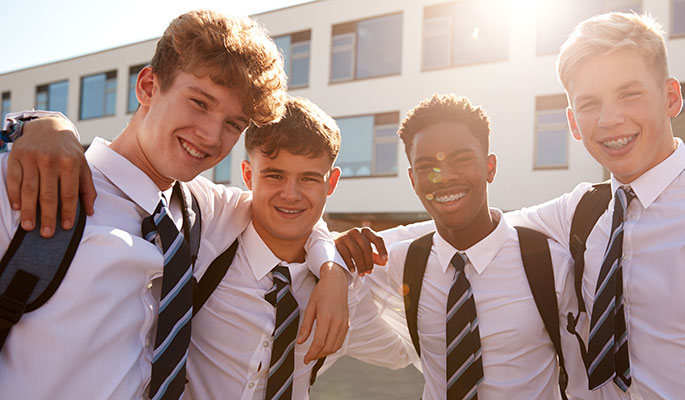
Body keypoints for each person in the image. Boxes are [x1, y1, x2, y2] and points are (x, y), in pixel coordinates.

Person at [342, 12, 685, 399]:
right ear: (573, 123)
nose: (610, 118)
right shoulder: (579, 213)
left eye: (629, 93)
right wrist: (334, 260)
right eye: (589, 103)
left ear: (671, 96)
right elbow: (464, 227)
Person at [0, 10, 349, 399]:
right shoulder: (28, 182)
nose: (211, 136)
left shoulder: (202, 209)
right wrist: (36, 125)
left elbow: (288, 209)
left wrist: (332, 270)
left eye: (234, 124)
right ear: (149, 86)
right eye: (199, 102)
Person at [351, 93, 592, 399]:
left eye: (462, 159)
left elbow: (583, 381)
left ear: (490, 167)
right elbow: (308, 260)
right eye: (427, 166)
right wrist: (331, 260)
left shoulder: (549, 264)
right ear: (412, 179)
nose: (445, 177)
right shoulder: (399, 264)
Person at [187, 97, 415, 400]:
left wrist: (338, 269)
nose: (290, 194)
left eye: (308, 178)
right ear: (247, 175)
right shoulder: (210, 230)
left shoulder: (346, 293)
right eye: (274, 175)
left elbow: (402, 352)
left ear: (331, 182)